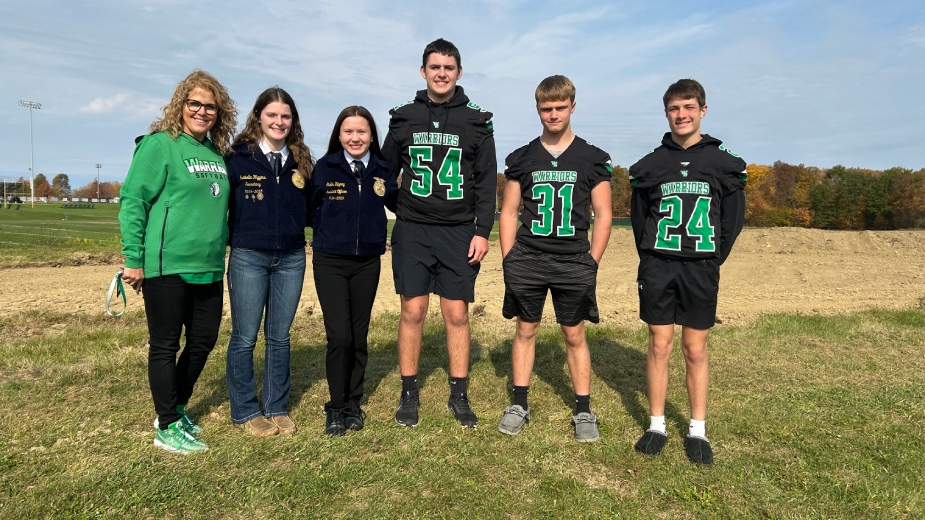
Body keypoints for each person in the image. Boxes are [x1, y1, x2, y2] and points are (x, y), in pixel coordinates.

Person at [629, 78, 747, 465]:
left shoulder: (722, 162)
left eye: (688, 107)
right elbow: (639, 218)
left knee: (694, 348)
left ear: (703, 111)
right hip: (660, 265)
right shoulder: (651, 165)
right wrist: (649, 258)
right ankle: (657, 423)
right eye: (674, 109)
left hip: (700, 266)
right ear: (666, 113)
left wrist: (712, 258)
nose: (681, 115)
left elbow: (732, 220)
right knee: (659, 343)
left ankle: (697, 428)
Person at [118, 70, 237, 455]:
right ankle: (165, 424)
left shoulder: (217, 154)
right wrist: (133, 259)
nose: (202, 112)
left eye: (210, 107)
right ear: (180, 105)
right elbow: (134, 200)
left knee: (203, 341)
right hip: (167, 264)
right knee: (165, 345)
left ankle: (176, 408)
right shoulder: (159, 145)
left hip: (209, 266)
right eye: (195, 104)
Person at [381, 38, 497, 428]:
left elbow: (485, 182)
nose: (442, 73)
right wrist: (400, 206)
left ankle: (459, 394)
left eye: (449, 68)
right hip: (413, 229)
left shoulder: (476, 120)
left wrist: (483, 231)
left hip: (458, 231)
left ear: (459, 72)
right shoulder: (403, 116)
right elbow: (384, 172)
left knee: (456, 313)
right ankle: (409, 391)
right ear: (423, 71)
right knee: (412, 310)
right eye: (435, 67)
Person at [497, 75, 613, 442]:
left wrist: (591, 260)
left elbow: (603, 213)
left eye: (560, 107)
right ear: (538, 109)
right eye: (546, 108)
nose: (553, 114)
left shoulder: (593, 158)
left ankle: (582, 408)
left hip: (573, 259)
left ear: (572, 106)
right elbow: (509, 210)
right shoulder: (522, 157)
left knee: (574, 333)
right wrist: (509, 257)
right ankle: (519, 402)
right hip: (528, 256)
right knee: (525, 329)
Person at [224, 87, 313, 437]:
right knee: (245, 337)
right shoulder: (237, 157)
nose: (279, 122)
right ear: (258, 116)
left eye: (286, 116)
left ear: (293, 121)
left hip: (291, 257)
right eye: (272, 115)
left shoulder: (302, 160)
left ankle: (276, 406)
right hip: (248, 256)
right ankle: (245, 409)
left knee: (279, 336)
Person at [310, 106, 398, 436]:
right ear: (339, 135)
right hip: (330, 261)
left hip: (367, 263)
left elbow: (398, 203)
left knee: (359, 336)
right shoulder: (325, 168)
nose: (355, 137)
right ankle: (335, 407)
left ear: (372, 136)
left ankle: (353, 403)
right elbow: (309, 207)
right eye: (348, 131)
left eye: (362, 131)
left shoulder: (383, 170)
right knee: (340, 336)